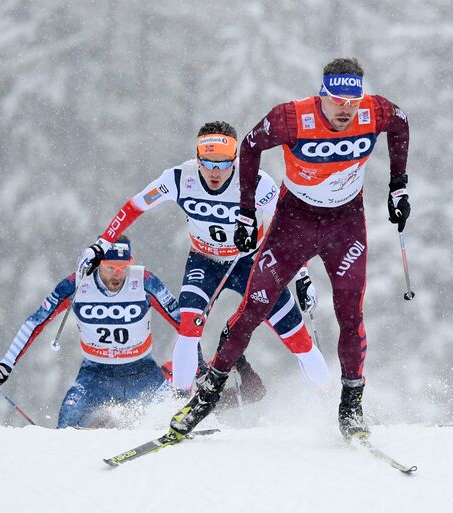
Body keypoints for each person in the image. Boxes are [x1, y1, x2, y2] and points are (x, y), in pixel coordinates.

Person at [166, 57, 411, 441]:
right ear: (323, 94)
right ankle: (207, 396)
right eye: (337, 101)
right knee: (252, 311)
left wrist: (398, 184)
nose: (346, 110)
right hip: (292, 224)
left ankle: (351, 408)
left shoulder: (374, 110)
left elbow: (400, 122)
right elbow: (248, 146)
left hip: (345, 227)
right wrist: (246, 212)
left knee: (350, 314)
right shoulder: (292, 118)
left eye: (353, 101)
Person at [77, 121, 330, 394]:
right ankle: (179, 406)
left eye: (223, 163)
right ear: (198, 158)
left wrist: (302, 276)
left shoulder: (256, 182)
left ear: (235, 159)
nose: (215, 171)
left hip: (252, 263)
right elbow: (134, 207)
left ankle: (335, 405)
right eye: (208, 162)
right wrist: (101, 245)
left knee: (296, 337)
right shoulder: (178, 178)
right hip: (205, 261)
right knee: (189, 327)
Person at [0, 237, 184, 428]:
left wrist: (197, 367)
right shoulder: (77, 283)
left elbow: (184, 324)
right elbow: (35, 322)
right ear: (98, 264)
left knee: (175, 419)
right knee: (67, 421)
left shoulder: (144, 281)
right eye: (110, 267)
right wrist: (4, 367)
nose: (117, 274)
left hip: (142, 372)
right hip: (95, 376)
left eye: (123, 268)